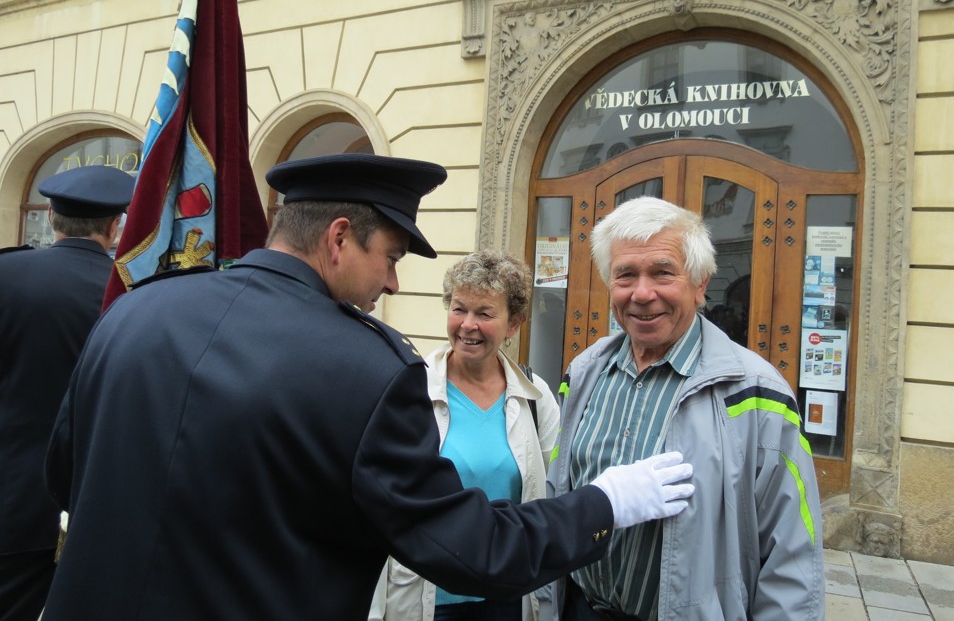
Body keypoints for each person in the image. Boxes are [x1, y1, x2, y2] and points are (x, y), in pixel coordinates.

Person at [42, 155, 695, 620]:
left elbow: (66, 476)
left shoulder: (134, 311)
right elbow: (475, 551)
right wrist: (605, 504)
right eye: (390, 258)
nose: (392, 284)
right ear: (338, 239)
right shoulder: (370, 371)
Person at [546, 196, 824, 620]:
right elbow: (558, 491)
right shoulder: (583, 374)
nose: (642, 293)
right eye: (626, 275)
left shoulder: (757, 394)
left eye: (662, 272)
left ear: (699, 284)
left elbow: (793, 553)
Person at [371, 251, 560, 621]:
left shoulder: (535, 397)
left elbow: (551, 495)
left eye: (485, 313)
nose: (467, 325)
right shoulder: (410, 390)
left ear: (514, 324)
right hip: (429, 599)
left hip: (507, 598)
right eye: (459, 309)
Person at [0, 165, 134, 621]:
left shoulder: (7, 274)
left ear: (52, 219)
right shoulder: (136, 295)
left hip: (10, 499)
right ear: (116, 227)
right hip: (98, 504)